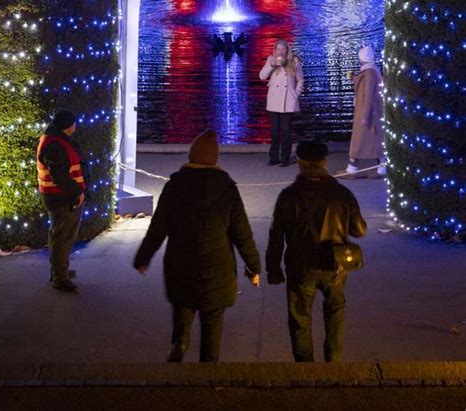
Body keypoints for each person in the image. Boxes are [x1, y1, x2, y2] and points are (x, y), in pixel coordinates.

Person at [133, 130, 261, 363]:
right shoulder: (227, 188)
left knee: (182, 314)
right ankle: (207, 375)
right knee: (212, 326)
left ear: (192, 156)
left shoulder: (175, 185)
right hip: (218, 271)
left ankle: (179, 346)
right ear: (214, 159)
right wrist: (254, 267)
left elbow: (158, 227)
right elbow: (242, 233)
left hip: (181, 265)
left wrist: (143, 258)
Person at [266, 140, 367, 363]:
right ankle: (333, 363)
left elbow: (276, 236)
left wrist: (273, 269)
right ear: (324, 162)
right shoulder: (341, 194)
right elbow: (359, 231)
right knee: (335, 313)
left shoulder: (288, 195)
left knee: (300, 319)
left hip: (300, 264)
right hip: (335, 264)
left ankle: (305, 369)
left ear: (300, 164)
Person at [36, 108, 89, 293]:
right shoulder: (56, 145)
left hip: (58, 196)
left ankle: (59, 271)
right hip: (63, 198)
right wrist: (77, 192)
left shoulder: (54, 140)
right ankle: (60, 277)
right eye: (74, 122)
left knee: (59, 235)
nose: (76, 125)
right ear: (68, 126)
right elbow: (60, 176)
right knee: (63, 237)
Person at [259, 39, 304, 167]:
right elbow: (262, 76)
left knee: (286, 131)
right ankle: (273, 157)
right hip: (274, 100)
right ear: (275, 50)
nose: (280, 52)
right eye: (278, 49)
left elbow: (300, 80)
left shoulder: (294, 61)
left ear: (287, 50)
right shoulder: (271, 59)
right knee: (274, 131)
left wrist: (295, 94)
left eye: (283, 49)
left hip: (287, 100)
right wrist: (271, 65)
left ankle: (285, 158)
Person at [343, 46, 385, 177]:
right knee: (375, 141)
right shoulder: (369, 71)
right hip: (369, 112)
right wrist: (354, 78)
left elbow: (368, 95)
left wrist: (365, 116)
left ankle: (352, 169)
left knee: (359, 141)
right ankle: (381, 168)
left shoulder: (370, 73)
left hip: (367, 112)